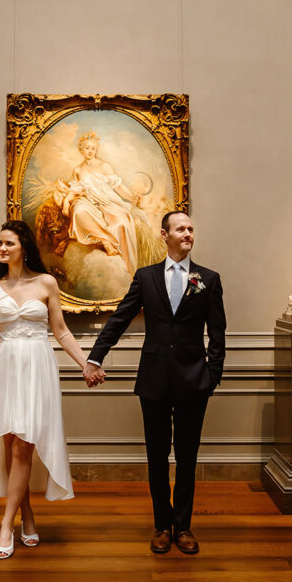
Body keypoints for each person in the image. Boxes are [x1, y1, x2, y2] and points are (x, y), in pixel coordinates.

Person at [84, 211, 226, 555]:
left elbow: (218, 333)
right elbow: (120, 317)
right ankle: (163, 526)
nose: (188, 233)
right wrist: (95, 357)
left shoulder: (208, 278)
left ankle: (184, 527)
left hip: (195, 382)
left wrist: (212, 376)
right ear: (165, 235)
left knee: (188, 457)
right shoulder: (146, 277)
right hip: (154, 381)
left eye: (191, 228)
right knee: (157, 457)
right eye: (181, 229)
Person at [0, 220, 90, 560]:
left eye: (8, 243)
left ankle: (5, 526)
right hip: (5, 369)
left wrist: (86, 363)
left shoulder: (46, 283)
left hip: (37, 369)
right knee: (13, 446)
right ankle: (27, 515)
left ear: (23, 246)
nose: (2, 248)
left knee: (24, 447)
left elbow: (62, 332)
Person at [53, 130, 143, 276]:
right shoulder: (78, 170)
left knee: (122, 224)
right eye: (87, 148)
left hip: (107, 201)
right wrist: (66, 202)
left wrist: (132, 197)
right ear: (81, 150)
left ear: (96, 150)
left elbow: (118, 186)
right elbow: (74, 189)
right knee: (78, 212)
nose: (90, 151)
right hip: (87, 201)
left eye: (93, 148)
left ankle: (127, 271)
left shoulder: (104, 166)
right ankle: (106, 241)